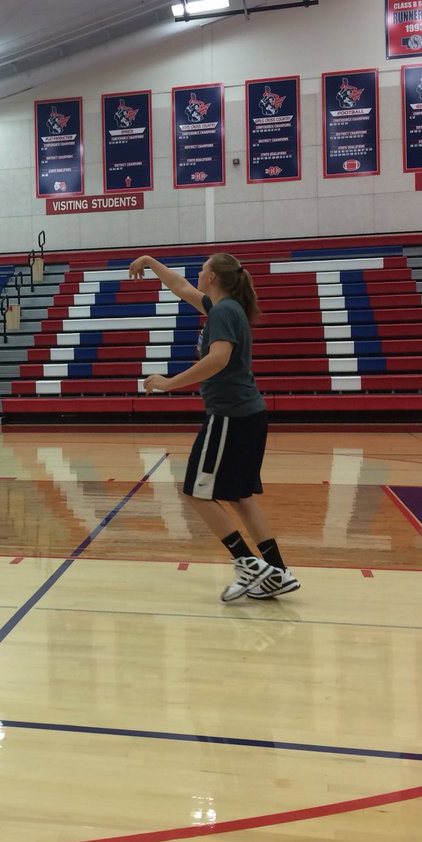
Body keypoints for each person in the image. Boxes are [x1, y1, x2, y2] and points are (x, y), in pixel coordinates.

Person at [127, 252, 300, 603]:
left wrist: (169, 383)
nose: (198, 273)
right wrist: (149, 261)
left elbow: (218, 358)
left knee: (195, 492)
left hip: (229, 416)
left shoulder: (222, 312)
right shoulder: (225, 307)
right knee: (239, 497)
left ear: (214, 278)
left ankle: (248, 564)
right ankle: (278, 571)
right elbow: (179, 286)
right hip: (249, 414)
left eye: (203, 269)